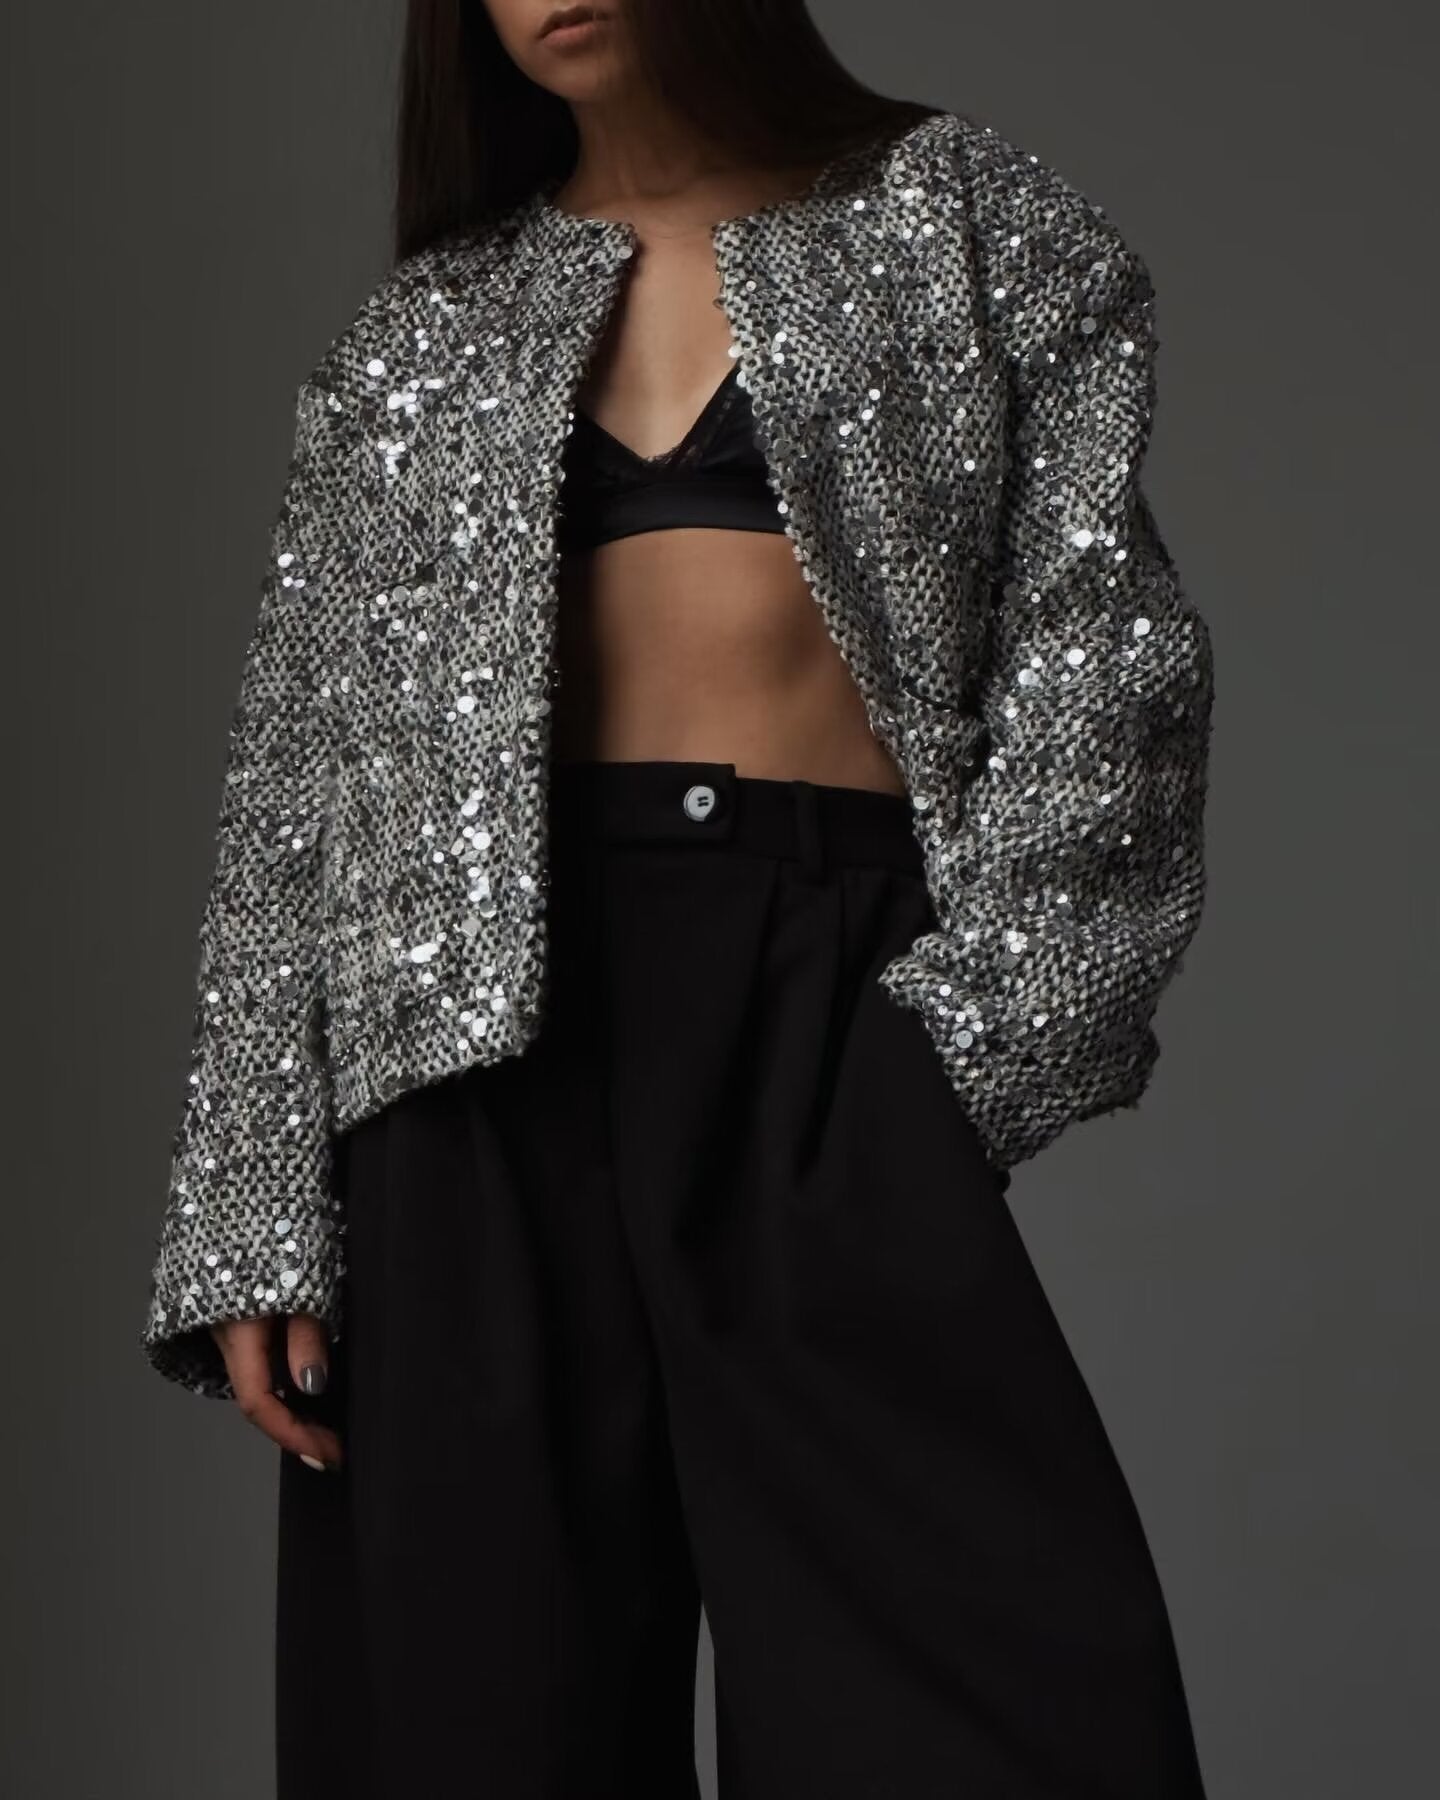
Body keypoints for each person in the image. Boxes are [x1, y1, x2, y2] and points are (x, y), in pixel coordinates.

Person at [140, 2, 1216, 1793]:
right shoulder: (423, 331)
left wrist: (962, 1060)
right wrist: (252, 1198)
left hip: (825, 1034)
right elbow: (297, 785)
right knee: (477, 1733)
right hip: (462, 1076)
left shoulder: (963, 220)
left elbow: (1110, 672)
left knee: (984, 1712)